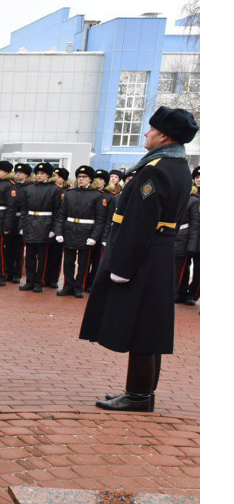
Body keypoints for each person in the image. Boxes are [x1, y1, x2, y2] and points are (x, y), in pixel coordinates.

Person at [81, 107, 199, 413]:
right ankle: (140, 391)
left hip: (145, 254)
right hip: (157, 252)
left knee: (145, 327)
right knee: (150, 324)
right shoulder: (176, 166)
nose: (145, 134)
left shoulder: (155, 169)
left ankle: (138, 395)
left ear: (164, 136)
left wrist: (122, 266)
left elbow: (139, 222)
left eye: (151, 129)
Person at [53, 166, 106, 298]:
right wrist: (58, 232)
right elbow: (61, 215)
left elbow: (100, 219)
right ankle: (67, 286)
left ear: (90, 179)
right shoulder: (70, 193)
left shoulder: (97, 195)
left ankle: (78, 287)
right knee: (68, 262)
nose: (81, 179)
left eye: (84, 177)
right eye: (79, 177)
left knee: (83, 263)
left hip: (86, 231)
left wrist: (94, 237)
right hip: (70, 230)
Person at [17, 163, 61, 293]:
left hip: (45, 224)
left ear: (48, 175)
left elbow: (58, 212)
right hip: (30, 222)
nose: (39, 175)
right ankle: (29, 281)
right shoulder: (29, 189)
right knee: (30, 256)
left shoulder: (55, 189)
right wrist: (22, 226)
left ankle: (39, 282)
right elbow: (24, 210)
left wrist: (54, 229)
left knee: (42, 257)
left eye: (42, 173)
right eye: (38, 173)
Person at [174, 166, 200, 305]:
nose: (199, 180)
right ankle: (182, 292)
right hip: (188, 236)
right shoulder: (189, 196)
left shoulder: (194, 199)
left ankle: (193, 293)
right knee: (184, 265)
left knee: (199, 268)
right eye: (196, 177)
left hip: (196, 236)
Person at [42, 167, 70, 289]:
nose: (56, 179)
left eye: (59, 177)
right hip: (48, 224)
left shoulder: (67, 191)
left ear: (63, 179)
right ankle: (44, 277)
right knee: (46, 253)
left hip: (60, 226)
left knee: (56, 255)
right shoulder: (50, 189)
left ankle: (53, 279)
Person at [0, 161, 17, 287]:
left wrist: (7, 226)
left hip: (1, 219)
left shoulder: (10, 185)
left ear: (6, 172)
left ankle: (1, 275)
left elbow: (11, 208)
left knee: (0, 250)